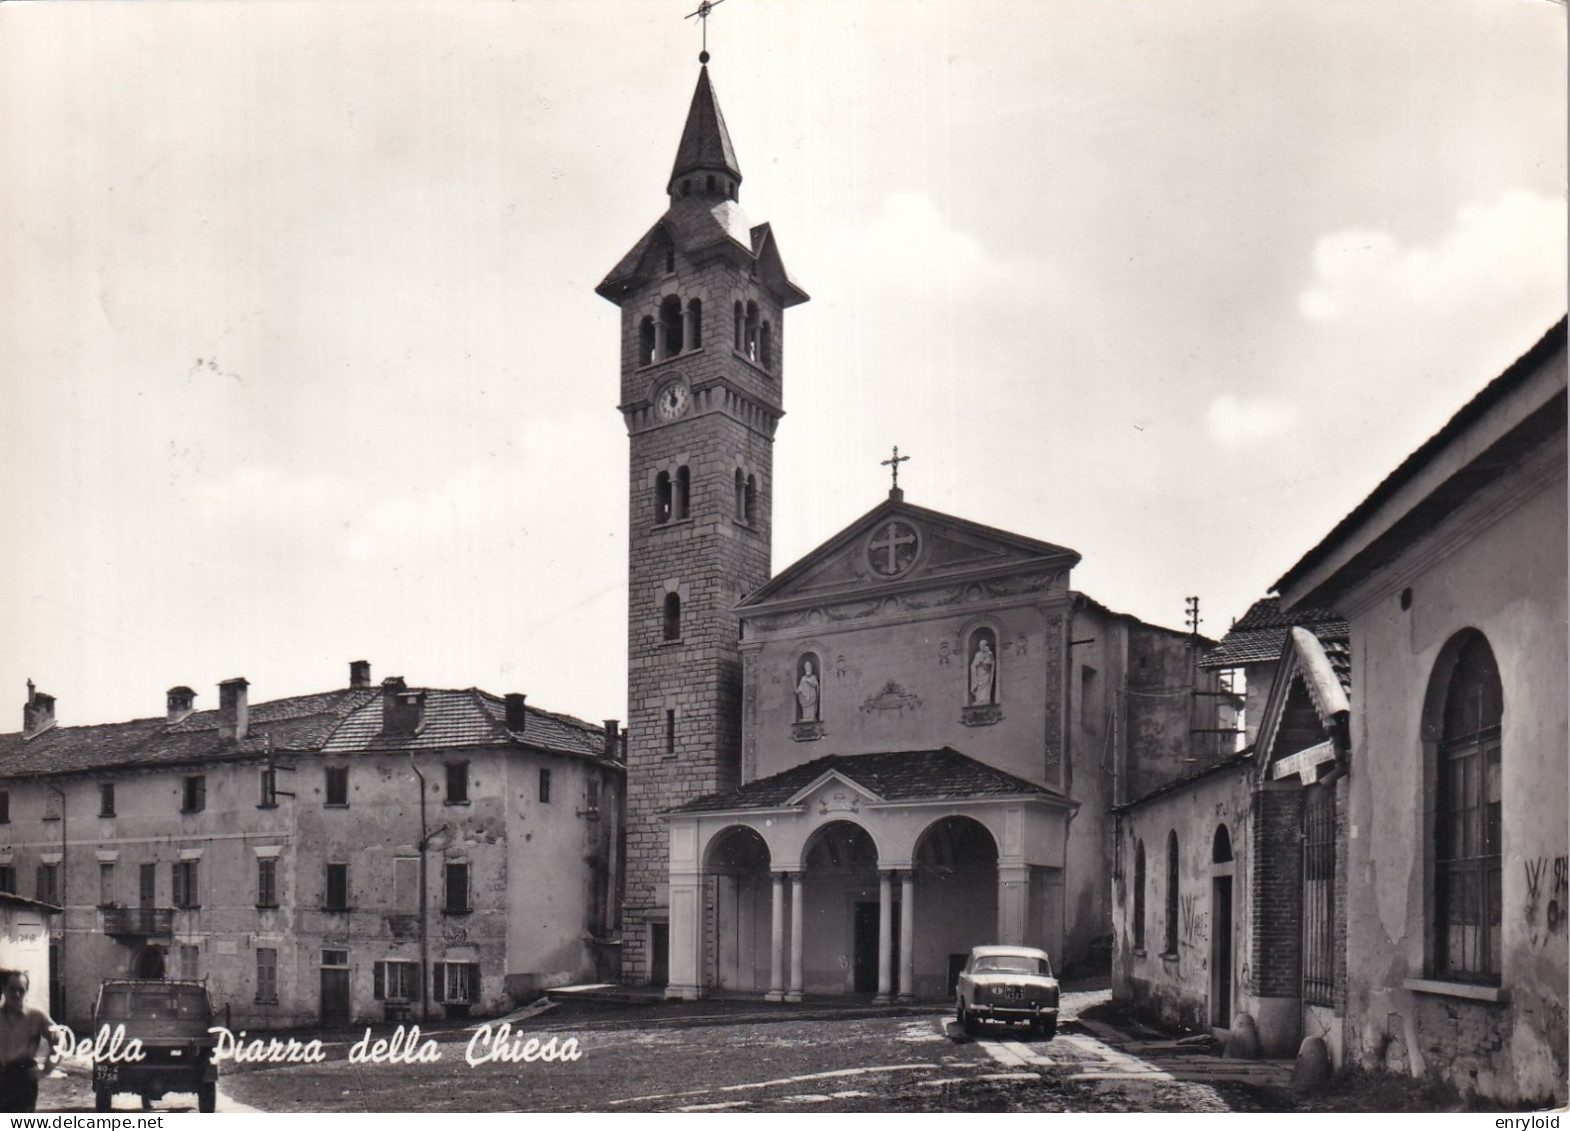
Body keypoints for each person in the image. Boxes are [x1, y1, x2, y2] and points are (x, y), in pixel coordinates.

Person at [0, 969, 56, 1113]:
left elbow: (60, 1041)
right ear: (4, 989)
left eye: (21, 990)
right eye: (12, 989)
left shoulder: (36, 1016)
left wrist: (46, 1069)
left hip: (24, 1079)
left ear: (27, 991)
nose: (17, 994)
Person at [969, 638, 996, 706]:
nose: (980, 647)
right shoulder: (977, 654)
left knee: (985, 685)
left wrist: (984, 662)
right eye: (980, 645)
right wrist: (977, 663)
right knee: (979, 685)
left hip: (986, 672)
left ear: (985, 646)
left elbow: (991, 663)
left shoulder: (989, 653)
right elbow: (973, 665)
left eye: (982, 645)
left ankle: (985, 699)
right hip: (979, 673)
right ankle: (978, 700)